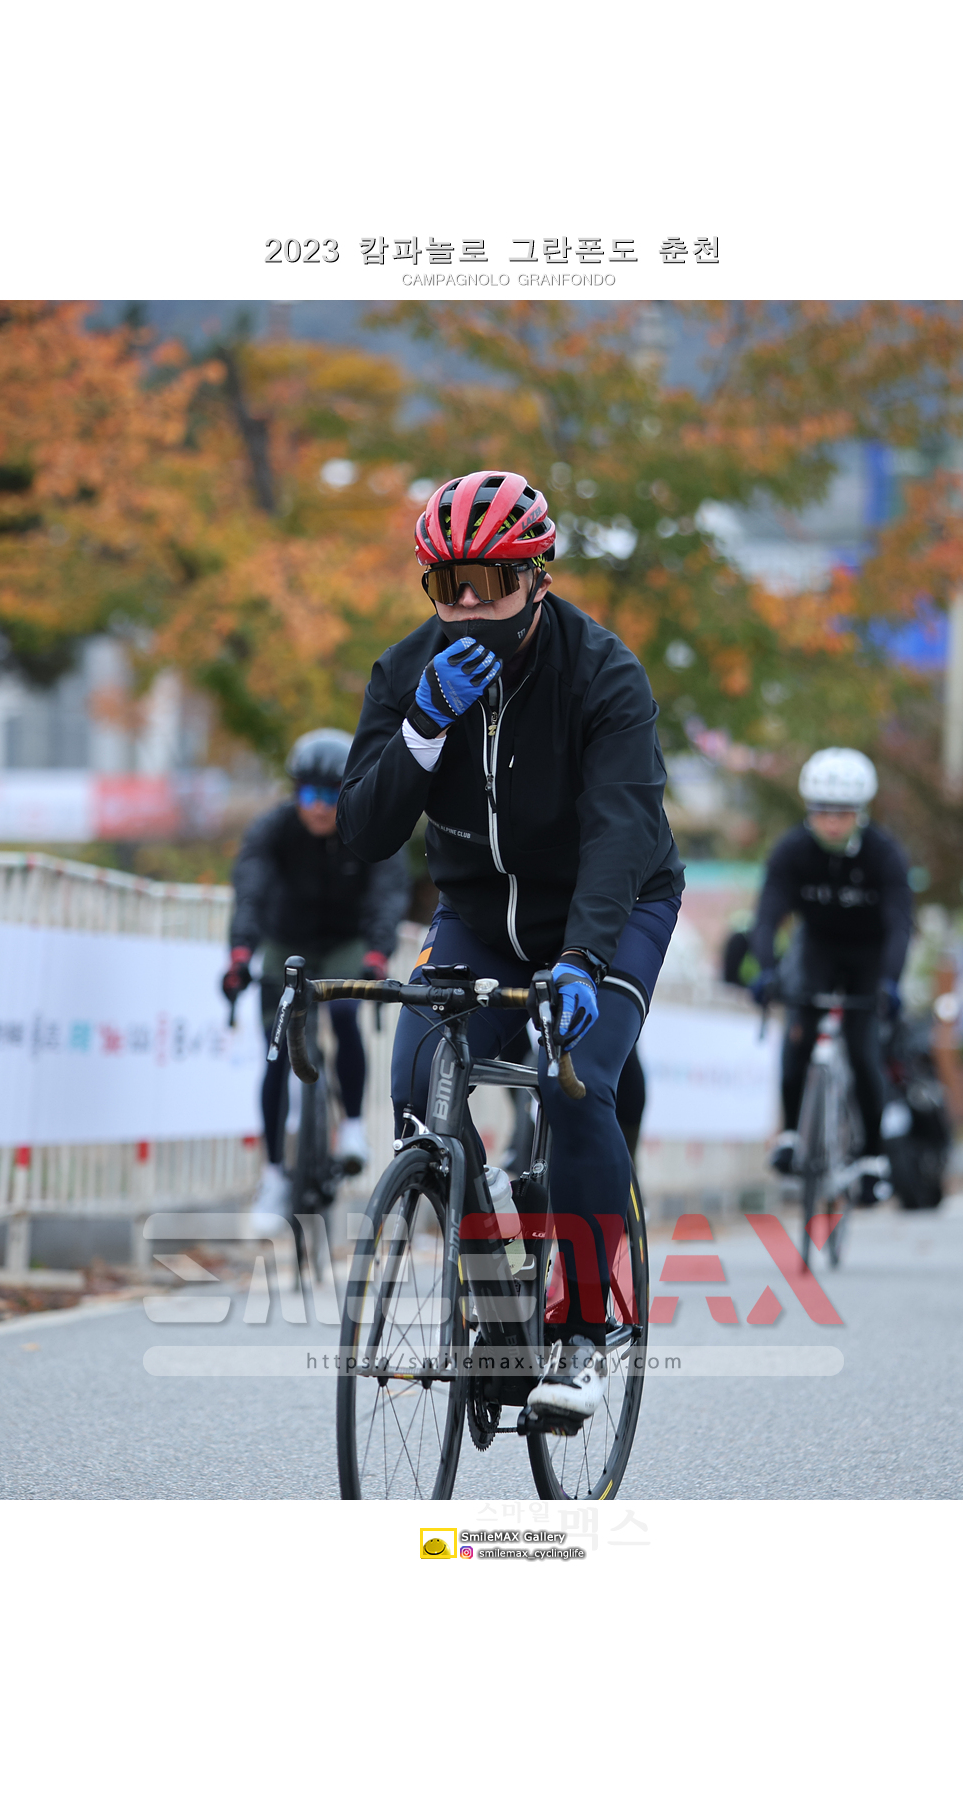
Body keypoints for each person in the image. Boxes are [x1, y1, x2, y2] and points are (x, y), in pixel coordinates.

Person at [338, 469, 683, 1424]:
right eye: (446, 587)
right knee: (419, 1088)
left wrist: (583, 957)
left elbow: (620, 831)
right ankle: (495, 1282)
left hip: (611, 907)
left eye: (489, 584)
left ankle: (585, 1335)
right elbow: (362, 833)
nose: (466, 607)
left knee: (577, 1086)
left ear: (538, 579)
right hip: (481, 914)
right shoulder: (408, 672)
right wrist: (422, 727)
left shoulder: (602, 673)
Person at [224, 728, 410, 1230]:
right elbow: (250, 890)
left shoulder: (367, 827)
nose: (322, 807)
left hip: (347, 940)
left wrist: (377, 953)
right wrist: (240, 954)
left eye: (332, 794)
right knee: (276, 1049)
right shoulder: (273, 830)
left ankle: (352, 1128)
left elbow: (388, 892)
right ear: (295, 793)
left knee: (346, 1011)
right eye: (310, 794)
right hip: (287, 941)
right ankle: (273, 1177)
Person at [749, 748, 910, 1195]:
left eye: (843, 813)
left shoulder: (884, 854)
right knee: (798, 1034)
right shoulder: (792, 851)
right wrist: (766, 970)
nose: (832, 823)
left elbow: (900, 925)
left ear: (861, 813)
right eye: (822, 812)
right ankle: (790, 1134)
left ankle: (873, 1157)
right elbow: (766, 916)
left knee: (862, 1049)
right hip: (817, 949)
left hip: (868, 955)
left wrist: (891, 982)